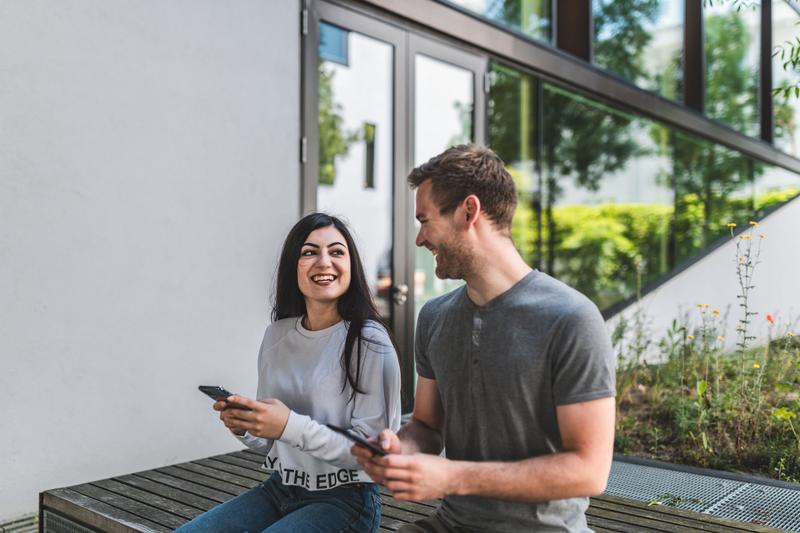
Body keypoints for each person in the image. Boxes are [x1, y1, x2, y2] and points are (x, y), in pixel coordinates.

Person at [352, 145, 616, 532]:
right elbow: (427, 425)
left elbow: (590, 471)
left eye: (424, 221)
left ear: (468, 212)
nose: (419, 239)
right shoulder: (435, 317)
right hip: (451, 524)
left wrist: (453, 476)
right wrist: (398, 449)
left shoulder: (572, 319)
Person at [177, 213, 401, 533]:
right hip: (280, 488)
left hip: (346, 501)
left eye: (337, 252)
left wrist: (287, 425)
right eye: (310, 252)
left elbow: (373, 454)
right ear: (292, 266)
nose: (324, 262)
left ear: (352, 266)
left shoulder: (369, 341)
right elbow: (272, 443)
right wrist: (245, 426)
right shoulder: (277, 336)